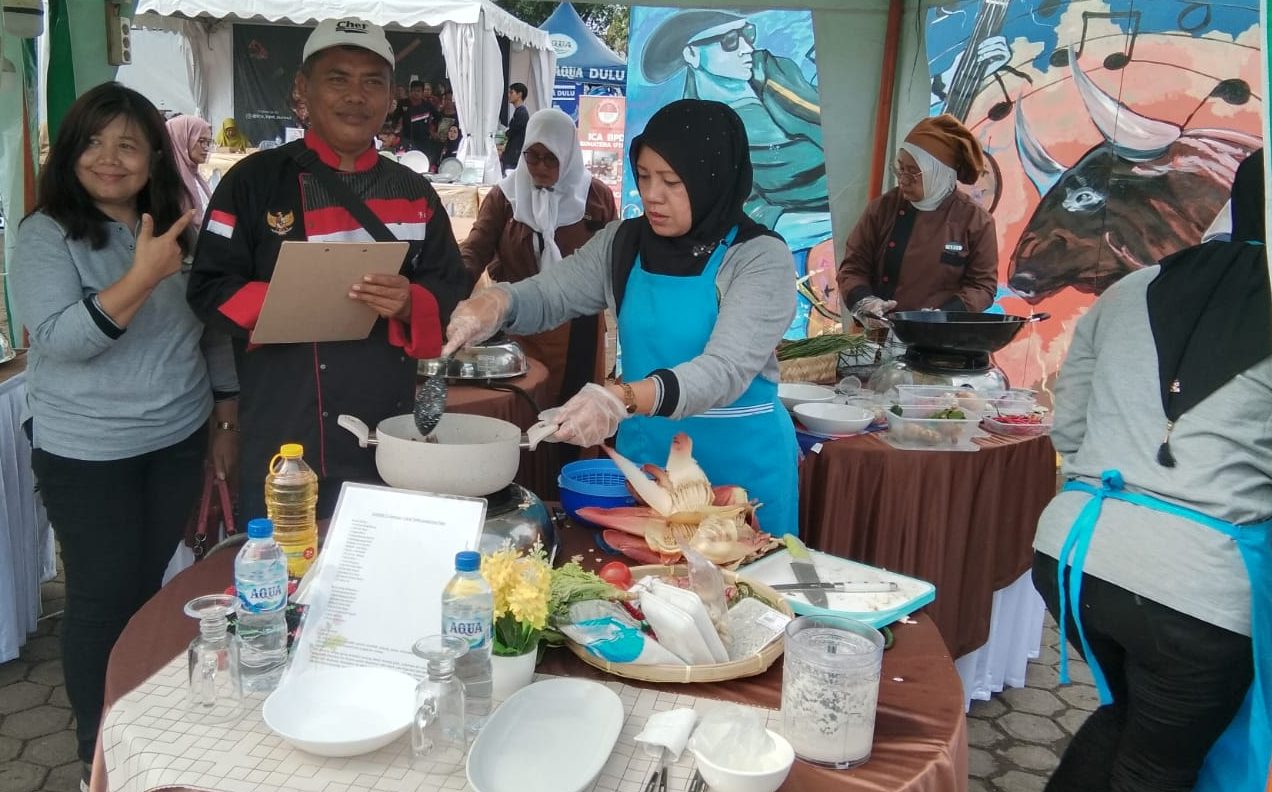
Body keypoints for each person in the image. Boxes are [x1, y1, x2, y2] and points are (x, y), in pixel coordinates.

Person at [10, 82, 239, 786]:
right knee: (101, 600)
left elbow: (210, 333)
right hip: (87, 452)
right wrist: (139, 278)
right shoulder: (44, 235)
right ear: (70, 153)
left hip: (173, 438)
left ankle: (148, 726)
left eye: (129, 144)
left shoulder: (176, 227)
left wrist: (225, 416)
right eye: (93, 142)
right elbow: (61, 339)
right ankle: (98, 755)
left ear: (153, 158)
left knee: (150, 594)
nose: (110, 158)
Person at [444, 99, 800, 537]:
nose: (652, 194)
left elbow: (724, 370)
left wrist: (621, 398)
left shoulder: (760, 258)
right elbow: (552, 292)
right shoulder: (625, 242)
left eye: (672, 181)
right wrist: (497, 303)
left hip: (741, 471)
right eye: (645, 176)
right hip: (649, 466)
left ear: (713, 179)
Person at [1031, 149, 1270, 792]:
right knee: (1155, 763)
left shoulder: (1133, 287)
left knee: (1133, 717)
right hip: (1196, 593)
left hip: (1075, 555)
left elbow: (1070, 426)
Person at [187, 18, 470, 522]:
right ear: (303, 88)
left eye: (372, 81)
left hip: (389, 436)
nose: (355, 96)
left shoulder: (415, 192)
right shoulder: (252, 183)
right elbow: (207, 287)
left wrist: (412, 302)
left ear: (391, 97)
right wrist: (288, 301)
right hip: (283, 437)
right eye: (338, 78)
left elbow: (451, 287)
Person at [459, 108, 617, 407]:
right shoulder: (505, 197)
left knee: (572, 414)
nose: (540, 167)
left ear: (569, 154)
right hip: (518, 324)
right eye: (533, 156)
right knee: (522, 407)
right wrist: (451, 291)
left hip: (578, 330)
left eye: (551, 158)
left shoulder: (595, 197)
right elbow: (474, 250)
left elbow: (614, 259)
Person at [642, 10, 826, 228]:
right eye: (730, 41)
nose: (747, 48)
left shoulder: (774, 72)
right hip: (798, 225)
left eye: (747, 34)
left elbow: (828, 124)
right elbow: (745, 208)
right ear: (692, 54)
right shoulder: (692, 133)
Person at [837, 114, 998, 320]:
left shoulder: (975, 221)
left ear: (941, 173)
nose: (903, 179)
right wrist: (864, 300)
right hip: (881, 330)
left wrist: (943, 315)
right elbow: (853, 267)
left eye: (913, 172)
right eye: (900, 168)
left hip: (943, 340)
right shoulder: (884, 208)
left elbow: (982, 287)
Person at [166, 115, 215, 227]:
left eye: (208, 142)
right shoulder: (169, 182)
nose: (206, 148)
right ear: (182, 139)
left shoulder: (195, 175)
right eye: (201, 141)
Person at [403, 78, 438, 160]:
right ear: (410, 91)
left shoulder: (427, 105)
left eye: (418, 91)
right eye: (413, 91)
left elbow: (438, 117)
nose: (415, 93)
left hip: (424, 140)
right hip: (407, 139)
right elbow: (396, 118)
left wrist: (432, 129)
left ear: (422, 93)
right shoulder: (403, 103)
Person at [500, 82, 529, 173]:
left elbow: (511, 132)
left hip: (514, 155)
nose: (509, 95)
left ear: (519, 94)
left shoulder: (522, 113)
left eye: (511, 92)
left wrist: (501, 138)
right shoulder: (518, 112)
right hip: (511, 154)